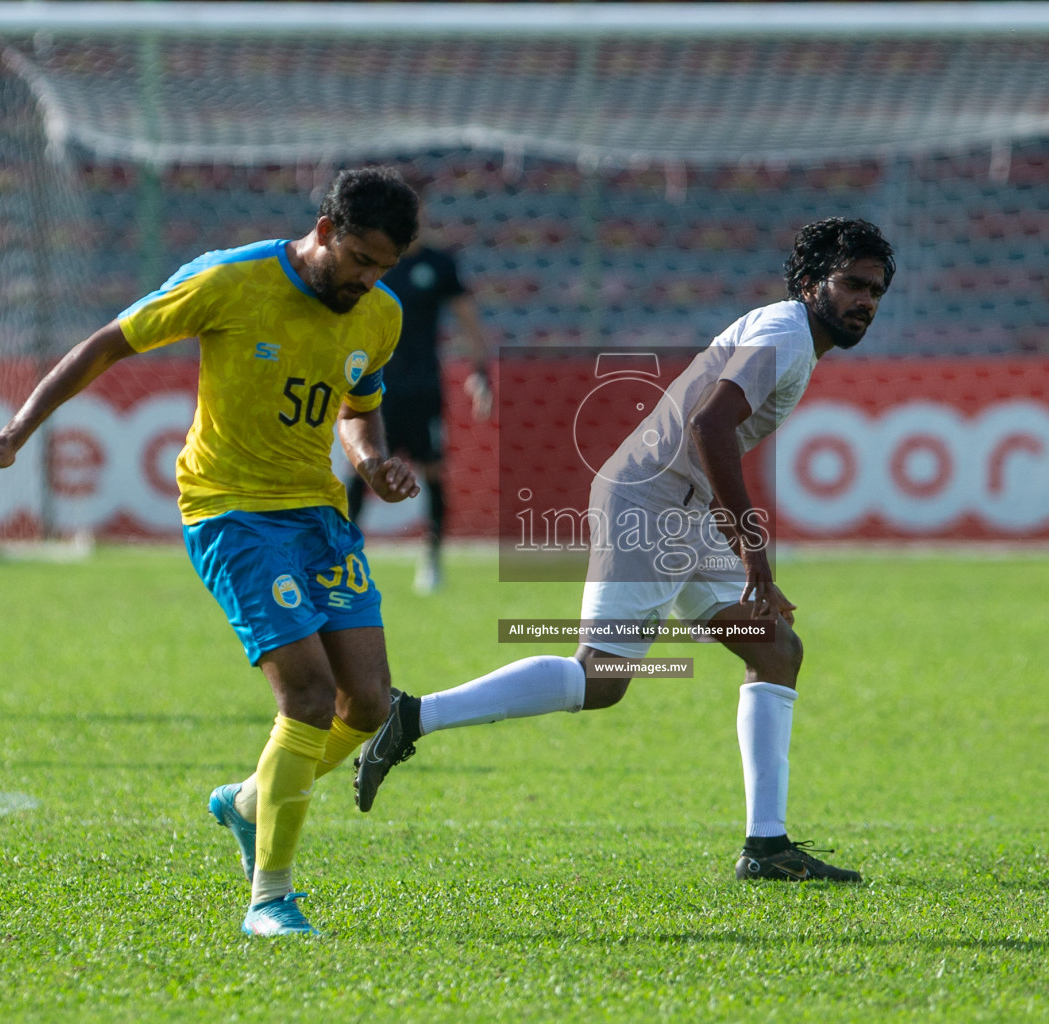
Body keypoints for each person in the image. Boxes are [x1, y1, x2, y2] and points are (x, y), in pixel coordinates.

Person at [0, 166, 423, 937]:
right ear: (327, 229)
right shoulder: (228, 281)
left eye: (383, 268)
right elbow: (108, 344)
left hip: (317, 515)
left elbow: (357, 404)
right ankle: (269, 900)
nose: (367, 279)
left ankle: (248, 804)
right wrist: (18, 430)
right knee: (305, 697)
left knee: (367, 703)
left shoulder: (380, 314)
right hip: (231, 512)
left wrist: (371, 461)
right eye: (360, 259)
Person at [356, 217, 894, 883]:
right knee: (599, 679)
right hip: (653, 503)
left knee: (775, 649)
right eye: (852, 284)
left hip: (680, 509)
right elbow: (709, 425)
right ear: (812, 283)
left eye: (875, 290)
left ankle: (767, 846)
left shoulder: (787, 332)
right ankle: (410, 717)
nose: (865, 300)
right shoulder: (786, 334)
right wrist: (753, 553)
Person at [345, 176, 493, 594]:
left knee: (433, 472)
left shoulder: (439, 264)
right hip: (374, 388)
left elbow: (470, 326)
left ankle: (431, 559)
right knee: (363, 469)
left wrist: (480, 376)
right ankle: (345, 556)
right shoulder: (373, 263)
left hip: (425, 388)